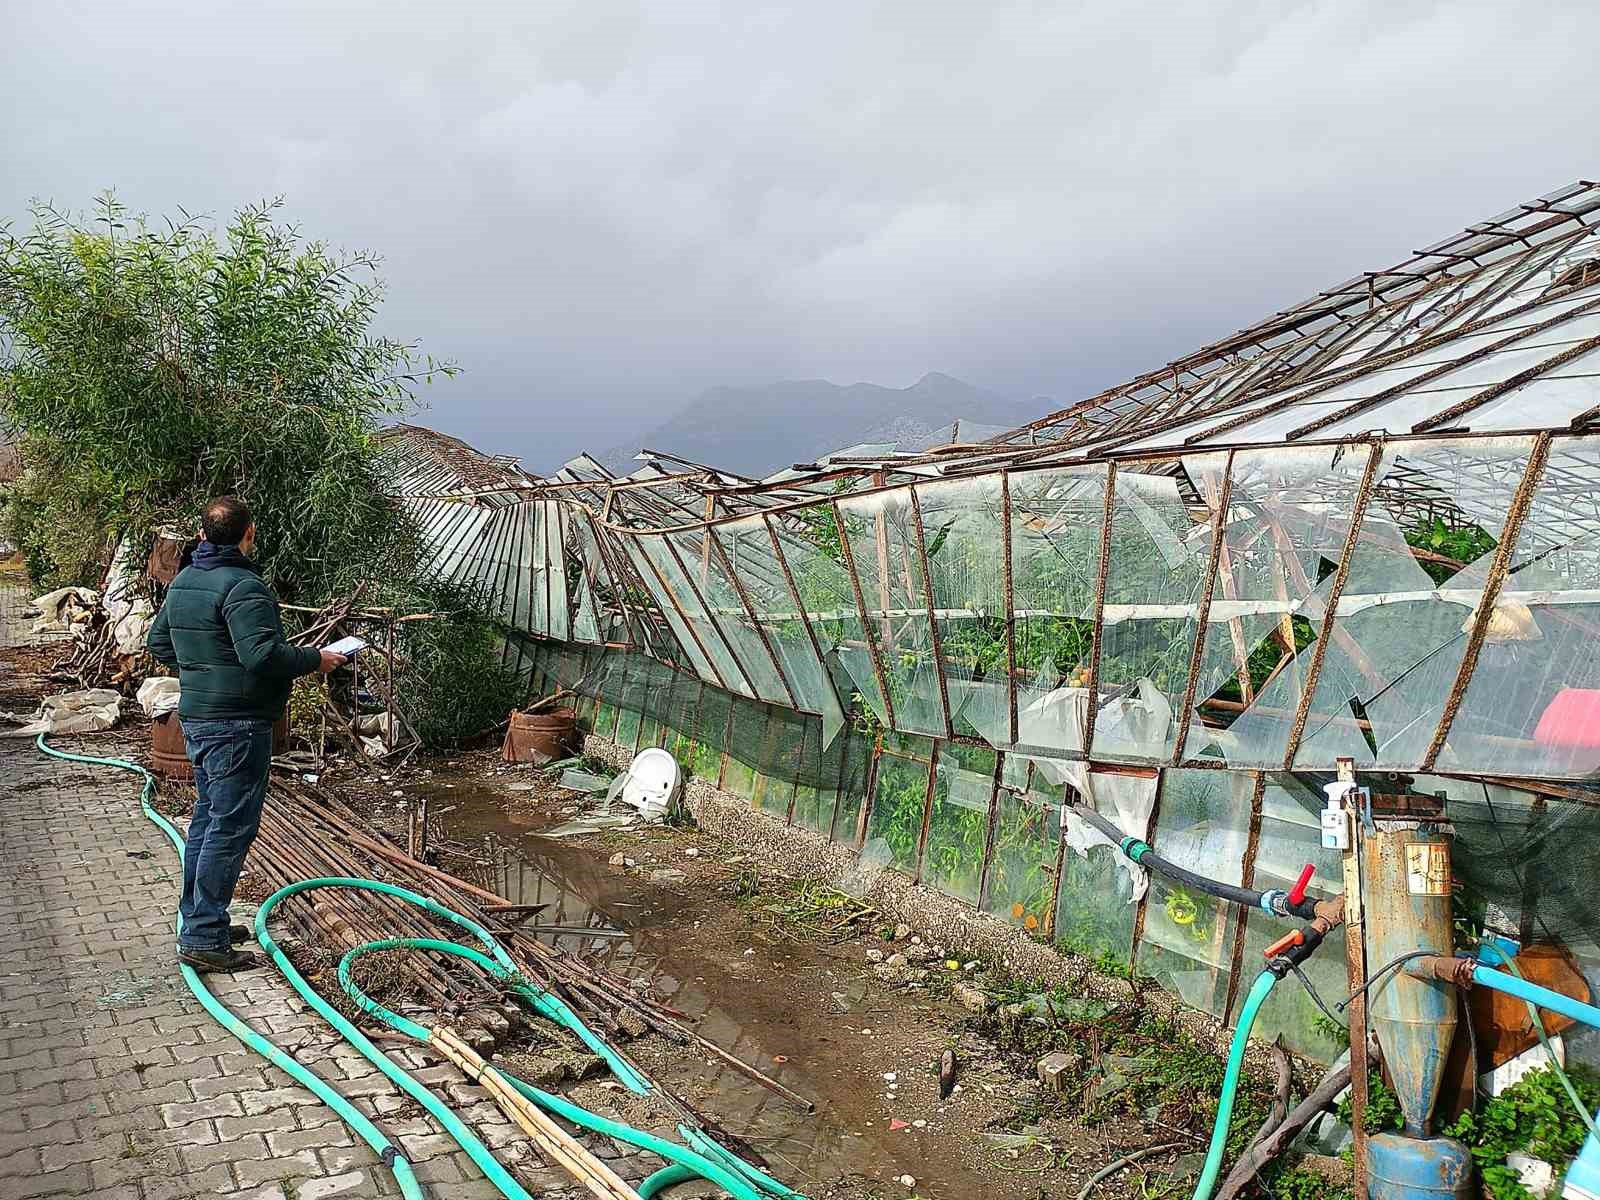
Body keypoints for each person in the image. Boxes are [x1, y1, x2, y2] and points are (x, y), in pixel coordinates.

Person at [147, 496, 346, 971]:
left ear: (201, 535)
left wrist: (202, 672)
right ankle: (202, 937)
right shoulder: (243, 586)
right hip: (236, 723)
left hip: (198, 717)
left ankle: (201, 919)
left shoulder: (185, 581)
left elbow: (159, 642)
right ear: (249, 533)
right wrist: (317, 659)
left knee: (208, 819)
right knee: (229, 827)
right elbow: (263, 656)